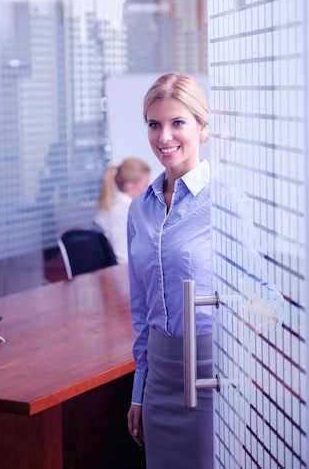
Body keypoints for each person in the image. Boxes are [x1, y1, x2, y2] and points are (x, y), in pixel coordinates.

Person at [126, 72, 213, 469]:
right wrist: (138, 391)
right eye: (154, 124)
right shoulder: (139, 208)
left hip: (213, 378)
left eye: (178, 122)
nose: (165, 137)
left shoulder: (226, 203)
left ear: (202, 127)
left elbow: (260, 293)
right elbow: (141, 311)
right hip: (159, 380)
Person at [94, 158, 151, 264]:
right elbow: (123, 258)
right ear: (130, 186)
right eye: (145, 184)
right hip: (123, 272)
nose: (147, 189)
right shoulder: (124, 211)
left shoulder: (113, 205)